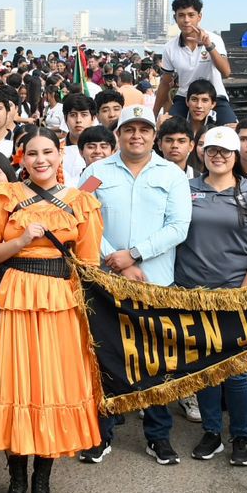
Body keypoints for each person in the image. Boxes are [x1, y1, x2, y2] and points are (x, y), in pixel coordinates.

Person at [0, 127, 104, 493]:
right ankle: (15, 480)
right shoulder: (2, 195)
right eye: (32, 153)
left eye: (48, 151)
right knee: (16, 384)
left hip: (61, 303)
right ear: (21, 158)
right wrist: (19, 242)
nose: (41, 159)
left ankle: (42, 480)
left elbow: (89, 265)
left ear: (60, 155)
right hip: (13, 298)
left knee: (50, 388)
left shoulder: (83, 202)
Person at [76, 104, 193, 465]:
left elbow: (178, 227)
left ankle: (158, 437)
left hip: (155, 282)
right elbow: (82, 216)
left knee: (155, 360)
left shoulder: (171, 174)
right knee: (105, 357)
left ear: (153, 136)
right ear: (118, 135)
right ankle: (101, 434)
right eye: (129, 129)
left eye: (143, 129)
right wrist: (117, 260)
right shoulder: (95, 172)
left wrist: (136, 255)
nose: (136, 135)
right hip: (105, 281)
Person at [174, 126, 247, 467]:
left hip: (234, 294)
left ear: (236, 156)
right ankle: (213, 432)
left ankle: (242, 435)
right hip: (193, 294)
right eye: (212, 150)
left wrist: (244, 293)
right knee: (204, 368)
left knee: (237, 371)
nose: (218, 156)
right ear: (202, 152)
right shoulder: (185, 189)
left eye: (226, 151)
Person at [155, 0, 236, 124]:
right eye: (181, 15)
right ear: (175, 18)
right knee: (169, 128)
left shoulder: (214, 39)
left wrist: (208, 46)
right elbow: (165, 83)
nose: (186, 20)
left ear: (199, 17)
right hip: (185, 98)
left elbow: (226, 72)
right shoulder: (170, 47)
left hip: (215, 96)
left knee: (231, 129)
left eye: (191, 15)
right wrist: (154, 113)